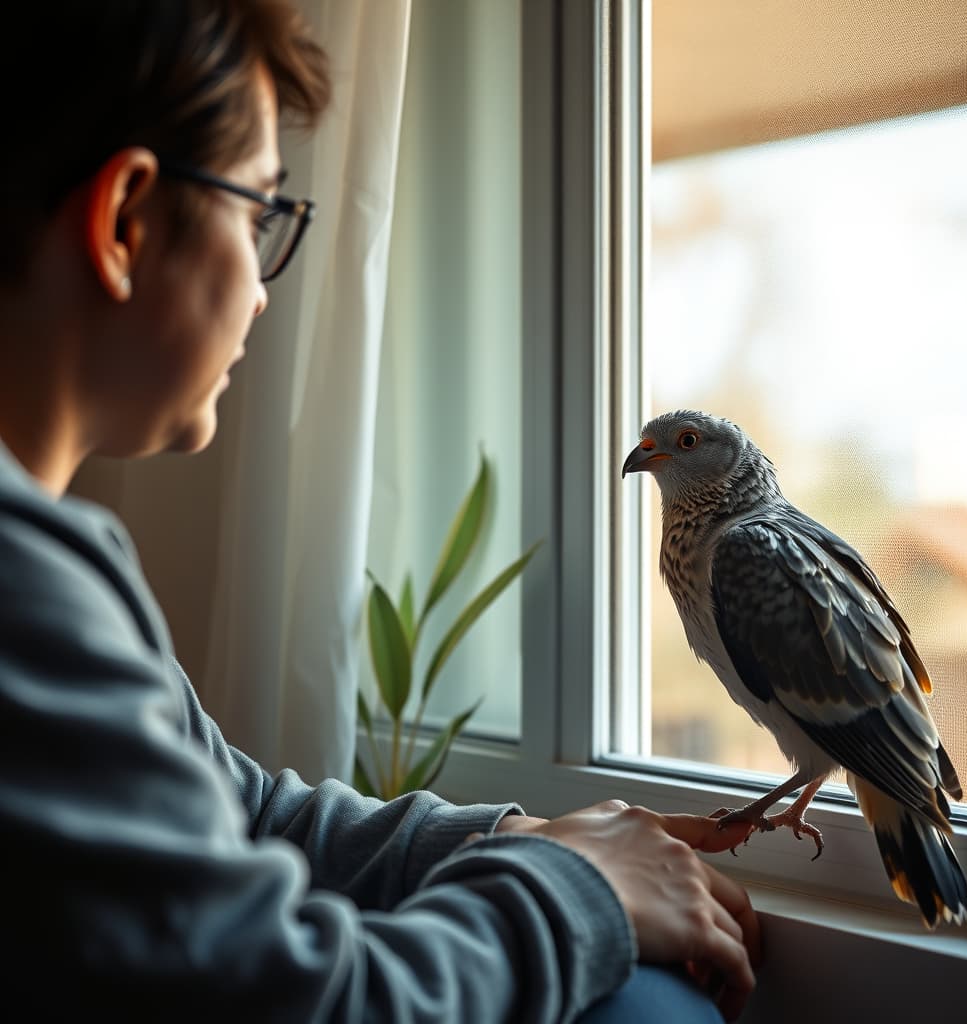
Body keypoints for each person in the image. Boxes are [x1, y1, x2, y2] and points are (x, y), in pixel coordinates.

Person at [0, 2, 760, 1020]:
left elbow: (250, 812)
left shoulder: (52, 568)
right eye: (261, 213)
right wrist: (582, 891)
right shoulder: (23, 587)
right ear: (129, 220)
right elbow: (305, 1001)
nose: (266, 294)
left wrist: (523, 840)